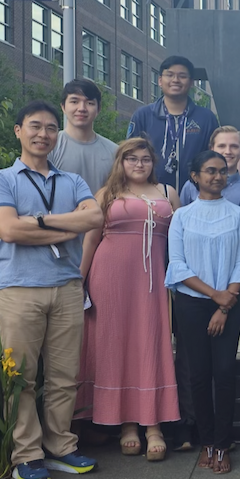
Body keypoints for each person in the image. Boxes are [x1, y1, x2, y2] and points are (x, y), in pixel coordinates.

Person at [0, 101, 104, 479]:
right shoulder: (1, 180)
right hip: (19, 289)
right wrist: (66, 228)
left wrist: (36, 221)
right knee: (21, 376)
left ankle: (61, 446)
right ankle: (27, 455)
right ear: (18, 130)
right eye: (34, 126)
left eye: (51, 128)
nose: (43, 134)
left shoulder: (72, 182)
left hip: (67, 288)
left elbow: (94, 218)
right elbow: (9, 231)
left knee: (65, 376)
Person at [76, 137, 182, 462]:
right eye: (132, 158)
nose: (139, 164)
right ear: (121, 162)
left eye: (145, 159)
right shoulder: (106, 195)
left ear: (154, 162)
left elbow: (180, 239)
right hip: (110, 279)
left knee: (150, 344)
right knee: (116, 345)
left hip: (152, 283)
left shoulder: (168, 193)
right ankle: (126, 426)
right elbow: (90, 241)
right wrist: (78, 283)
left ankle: (153, 425)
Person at [165, 150, 240, 475]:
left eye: (222, 171)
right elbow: (177, 266)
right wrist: (213, 295)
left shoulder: (238, 215)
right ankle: (206, 441)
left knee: (225, 372)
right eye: (210, 171)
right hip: (192, 304)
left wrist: (225, 301)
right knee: (199, 375)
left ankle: (222, 442)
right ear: (195, 176)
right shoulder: (182, 216)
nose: (217, 176)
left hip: (229, 303)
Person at [126, 55, 218, 190]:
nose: (175, 80)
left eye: (182, 76)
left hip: (196, 195)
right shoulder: (143, 115)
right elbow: (129, 156)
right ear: (160, 80)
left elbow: (215, 157)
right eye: (170, 75)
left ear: (191, 82)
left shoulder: (206, 118)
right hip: (152, 194)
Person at [49, 78, 118, 194]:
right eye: (74, 102)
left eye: (89, 103)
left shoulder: (115, 151)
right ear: (63, 107)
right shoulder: (51, 146)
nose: (81, 108)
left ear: (98, 109)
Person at [179, 126, 240, 206]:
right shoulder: (192, 185)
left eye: (234, 146)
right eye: (221, 146)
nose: (228, 151)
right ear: (211, 149)